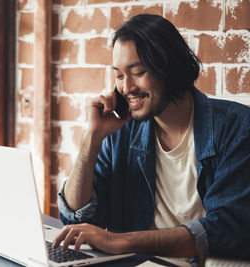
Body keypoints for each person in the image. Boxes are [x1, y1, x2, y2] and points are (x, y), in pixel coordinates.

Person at [52, 14, 250, 264]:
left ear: (170, 68)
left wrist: (118, 241)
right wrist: (92, 138)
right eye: (120, 76)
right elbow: (76, 219)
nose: (126, 88)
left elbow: (226, 229)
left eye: (138, 72)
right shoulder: (120, 133)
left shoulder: (236, 128)